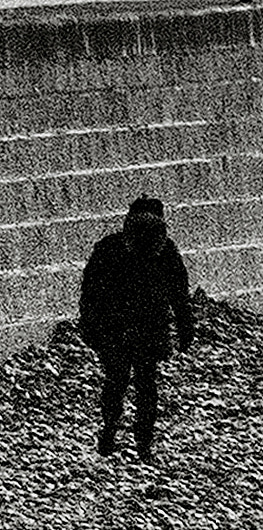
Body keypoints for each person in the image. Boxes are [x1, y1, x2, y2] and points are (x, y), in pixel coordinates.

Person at [78, 196, 193, 461]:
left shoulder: (108, 247)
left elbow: (90, 293)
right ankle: (143, 445)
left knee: (115, 381)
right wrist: (185, 330)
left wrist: (90, 328)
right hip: (150, 326)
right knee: (146, 383)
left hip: (114, 327)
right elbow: (179, 296)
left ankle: (109, 431)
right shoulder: (166, 250)